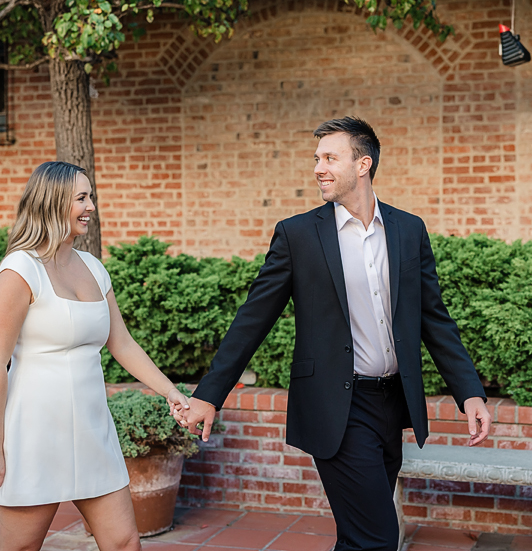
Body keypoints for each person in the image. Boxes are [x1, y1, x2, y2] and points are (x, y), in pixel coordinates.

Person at [181, 117, 492, 551]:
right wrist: (209, 394)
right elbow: (254, 318)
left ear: (363, 164)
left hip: (392, 404)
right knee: (378, 537)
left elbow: (433, 317)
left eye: (330, 158)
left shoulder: (408, 230)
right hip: (339, 407)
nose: (318, 168)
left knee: (360, 536)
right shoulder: (298, 235)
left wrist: (469, 392)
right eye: (316, 159)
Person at [0, 161, 189, 551]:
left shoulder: (93, 267)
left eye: (91, 196)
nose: (91, 205)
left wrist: (170, 392)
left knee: (125, 541)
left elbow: (121, 343)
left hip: (93, 430)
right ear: (53, 202)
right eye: (81, 197)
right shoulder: (19, 269)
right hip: (35, 433)